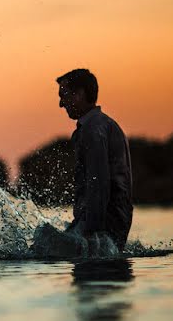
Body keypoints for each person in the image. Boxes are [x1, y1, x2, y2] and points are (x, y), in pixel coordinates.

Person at [57, 68, 133, 251]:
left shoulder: (93, 129)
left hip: (102, 227)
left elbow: (98, 182)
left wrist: (91, 231)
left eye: (64, 95)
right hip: (109, 223)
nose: (61, 103)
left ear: (80, 94)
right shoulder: (102, 124)